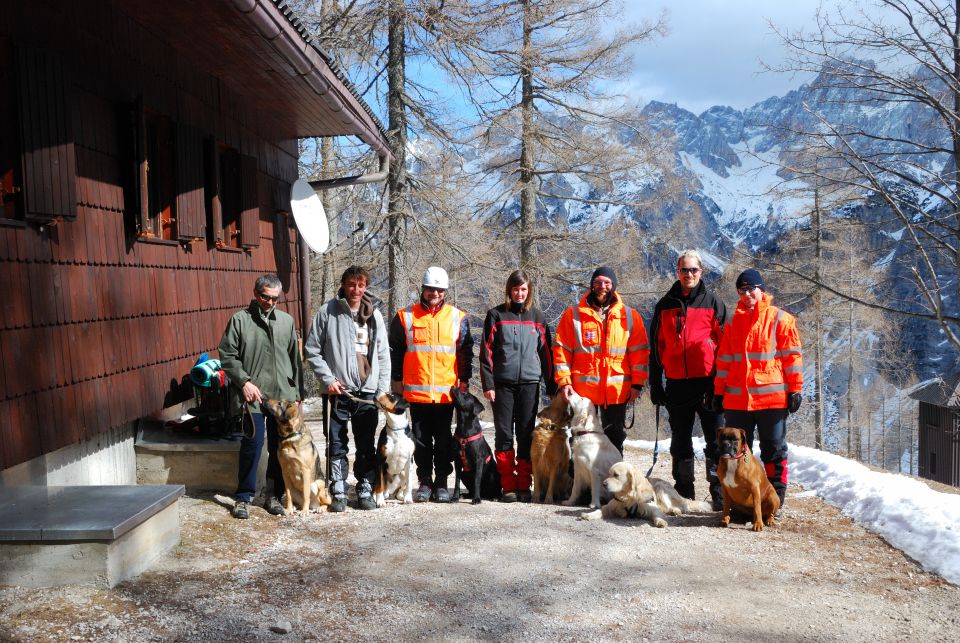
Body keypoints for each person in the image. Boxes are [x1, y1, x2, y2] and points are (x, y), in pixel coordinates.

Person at [712, 268, 803, 512]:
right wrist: (718, 391)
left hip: (772, 400)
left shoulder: (781, 319)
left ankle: (774, 501)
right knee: (736, 452)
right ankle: (740, 504)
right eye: (742, 290)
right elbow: (725, 360)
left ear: (762, 291)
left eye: (752, 288)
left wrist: (795, 389)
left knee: (774, 449)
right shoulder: (733, 321)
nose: (747, 293)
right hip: (737, 400)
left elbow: (791, 357)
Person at [304, 266, 390, 512]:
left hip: (367, 392)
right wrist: (328, 379)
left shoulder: (374, 315)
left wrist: (381, 390)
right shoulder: (328, 312)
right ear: (343, 285)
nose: (356, 290)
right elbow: (312, 350)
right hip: (337, 391)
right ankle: (338, 487)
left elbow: (383, 355)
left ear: (366, 286)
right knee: (337, 443)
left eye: (361, 285)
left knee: (365, 443)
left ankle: (364, 485)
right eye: (352, 284)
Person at [219, 273, 303, 519]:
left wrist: (297, 393)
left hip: (282, 395)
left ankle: (273, 495)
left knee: (280, 446)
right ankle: (243, 497)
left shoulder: (286, 321)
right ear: (256, 294)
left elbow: (294, 359)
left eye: (275, 299)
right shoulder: (240, 320)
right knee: (253, 445)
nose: (270, 302)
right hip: (252, 397)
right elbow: (227, 355)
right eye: (265, 297)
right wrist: (244, 382)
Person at [649, 250, 727, 509]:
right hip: (677, 384)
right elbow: (656, 347)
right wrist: (656, 383)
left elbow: (727, 347)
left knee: (716, 442)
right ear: (677, 272)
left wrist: (723, 384)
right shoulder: (665, 305)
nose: (689, 274)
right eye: (685, 270)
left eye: (694, 270)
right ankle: (683, 495)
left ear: (701, 272)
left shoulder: (714, 303)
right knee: (680, 441)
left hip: (709, 383)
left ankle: (720, 495)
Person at [389, 266, 474, 503]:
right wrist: (397, 380)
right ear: (423, 289)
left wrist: (464, 381)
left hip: (447, 394)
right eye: (430, 289)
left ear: (444, 291)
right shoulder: (405, 316)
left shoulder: (458, 318)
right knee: (421, 441)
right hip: (416, 393)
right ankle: (425, 481)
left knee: (445, 440)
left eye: (439, 290)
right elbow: (395, 352)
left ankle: (442, 483)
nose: (434, 294)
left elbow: (465, 353)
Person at [553, 266, 649, 454]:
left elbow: (639, 353)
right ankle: (579, 482)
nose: (602, 286)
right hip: (582, 393)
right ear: (591, 285)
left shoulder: (630, 316)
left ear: (613, 286)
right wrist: (564, 382)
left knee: (614, 439)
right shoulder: (573, 316)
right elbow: (561, 351)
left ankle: (614, 480)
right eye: (597, 282)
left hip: (616, 391)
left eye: (607, 282)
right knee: (580, 439)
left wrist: (637, 384)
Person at [480, 270, 556, 503]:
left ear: (528, 291)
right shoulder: (496, 315)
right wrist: (488, 383)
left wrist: (551, 386)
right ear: (509, 291)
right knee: (504, 434)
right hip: (502, 385)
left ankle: (524, 484)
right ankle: (508, 486)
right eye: (515, 289)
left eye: (523, 289)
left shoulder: (538, 318)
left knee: (525, 435)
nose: (519, 293)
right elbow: (486, 352)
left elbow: (547, 354)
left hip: (530, 385)